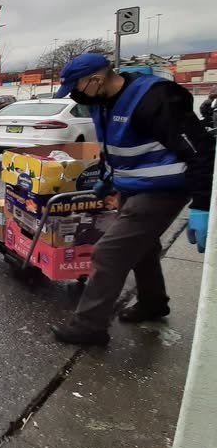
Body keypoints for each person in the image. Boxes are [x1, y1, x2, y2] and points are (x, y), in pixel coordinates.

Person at [51, 53, 214, 346]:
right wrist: (106, 177)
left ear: (96, 79)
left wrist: (202, 205)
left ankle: (90, 327)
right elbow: (114, 147)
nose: (75, 96)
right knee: (142, 249)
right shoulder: (101, 102)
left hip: (163, 190)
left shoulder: (155, 99)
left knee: (109, 253)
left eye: (77, 88)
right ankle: (153, 303)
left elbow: (201, 150)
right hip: (132, 188)